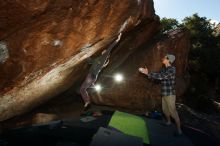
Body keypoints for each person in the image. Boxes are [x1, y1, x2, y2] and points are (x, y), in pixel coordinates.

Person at [139, 54, 183, 136]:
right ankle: (169, 122)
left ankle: (179, 130)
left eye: (165, 58)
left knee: (173, 112)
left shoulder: (172, 69)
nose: (162, 58)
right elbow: (157, 77)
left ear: (168, 60)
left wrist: (148, 73)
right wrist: (147, 74)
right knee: (165, 110)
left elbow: (161, 77)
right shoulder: (163, 69)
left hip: (170, 94)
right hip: (164, 93)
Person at [80, 33, 122, 108]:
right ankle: (87, 101)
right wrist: (85, 54)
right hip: (93, 78)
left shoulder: (103, 58)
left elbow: (110, 48)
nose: (104, 50)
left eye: (105, 51)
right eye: (104, 50)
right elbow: (90, 61)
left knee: (83, 88)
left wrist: (117, 40)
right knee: (82, 89)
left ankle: (87, 99)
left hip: (92, 75)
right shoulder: (98, 59)